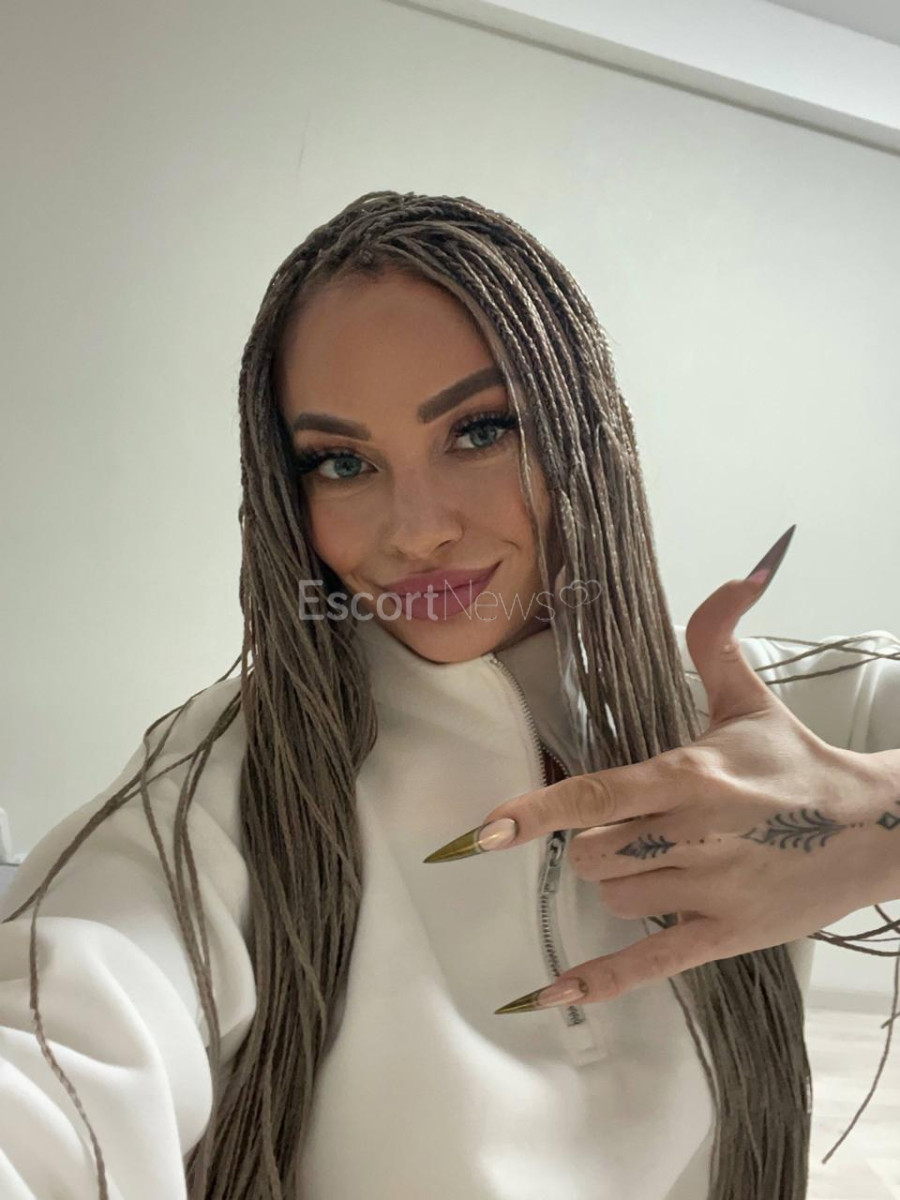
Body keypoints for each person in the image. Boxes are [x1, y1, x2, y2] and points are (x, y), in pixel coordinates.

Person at [1, 189, 898, 1200]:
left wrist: (875, 819)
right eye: (343, 462)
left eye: (478, 432)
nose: (418, 529)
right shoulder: (218, 788)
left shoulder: (776, 714)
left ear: (581, 434)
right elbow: (59, 1059)